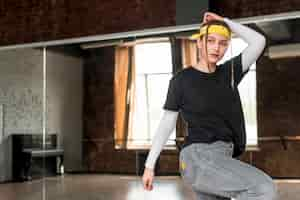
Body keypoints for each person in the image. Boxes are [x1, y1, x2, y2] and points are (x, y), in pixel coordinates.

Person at [142, 12, 278, 200]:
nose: (216, 48)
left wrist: (225, 22)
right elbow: (167, 123)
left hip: (223, 157)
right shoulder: (181, 80)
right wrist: (149, 166)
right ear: (199, 42)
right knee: (263, 188)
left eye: (223, 43)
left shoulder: (229, 73)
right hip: (199, 156)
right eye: (211, 41)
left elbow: (258, 41)